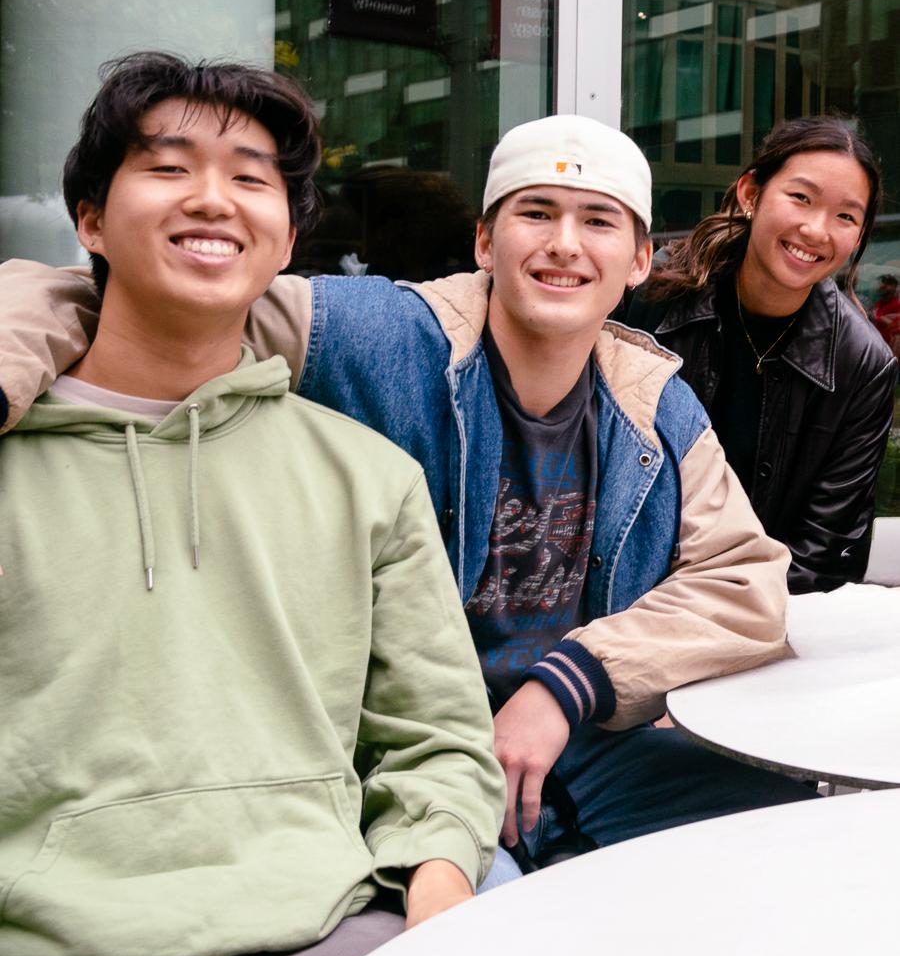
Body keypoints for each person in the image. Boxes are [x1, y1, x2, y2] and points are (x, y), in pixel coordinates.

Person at [0, 112, 815, 889]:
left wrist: (572, 682)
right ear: (485, 241)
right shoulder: (377, 334)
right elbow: (116, 295)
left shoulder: (650, 401)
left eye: (599, 222)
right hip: (399, 760)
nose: (565, 244)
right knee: (485, 941)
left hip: (572, 745)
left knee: (785, 834)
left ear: (639, 260)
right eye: (536, 212)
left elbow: (744, 580)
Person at [0, 52, 505, 956]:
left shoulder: (368, 477)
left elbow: (439, 744)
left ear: (285, 235)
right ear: (91, 222)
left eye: (250, 176)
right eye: (167, 166)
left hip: (318, 949)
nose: (211, 199)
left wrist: (435, 924)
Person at [623, 116, 898, 593]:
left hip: (753, 615)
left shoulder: (862, 363)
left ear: (859, 236)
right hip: (617, 595)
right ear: (751, 194)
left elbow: (825, 555)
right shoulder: (649, 295)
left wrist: (720, 612)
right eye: (801, 198)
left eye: (846, 216)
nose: (816, 229)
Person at [873, 273, 900, 360]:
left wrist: (894, 360)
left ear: (894, 287)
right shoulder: (879, 304)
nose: (882, 285)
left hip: (889, 355)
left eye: (887, 283)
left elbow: (897, 331)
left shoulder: (897, 305)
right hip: (878, 351)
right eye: (882, 282)